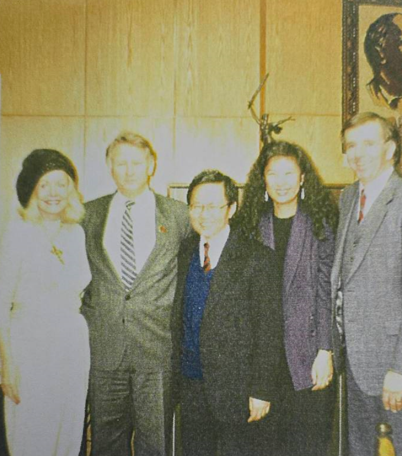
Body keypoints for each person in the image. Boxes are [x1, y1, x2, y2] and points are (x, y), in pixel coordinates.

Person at [332, 113, 402, 456]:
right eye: (351, 145)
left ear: (390, 149)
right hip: (356, 363)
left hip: (398, 369)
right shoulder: (349, 198)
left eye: (369, 143)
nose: (358, 153)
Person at [81, 132, 191, 456]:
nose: (129, 170)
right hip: (104, 350)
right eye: (121, 163)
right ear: (109, 167)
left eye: (136, 163)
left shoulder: (179, 215)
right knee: (105, 443)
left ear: (151, 165)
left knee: (155, 444)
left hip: (156, 350)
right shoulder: (87, 215)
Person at [237, 141, 339, 456]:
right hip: (261, 361)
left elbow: (327, 291)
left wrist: (326, 350)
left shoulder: (320, 224)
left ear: (302, 177)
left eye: (289, 173)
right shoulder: (249, 226)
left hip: (308, 357)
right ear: (263, 180)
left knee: (307, 446)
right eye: (273, 173)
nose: (281, 182)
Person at [173, 170, 284, 456]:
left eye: (213, 206)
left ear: (231, 209)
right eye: (197, 206)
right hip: (191, 384)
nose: (204, 214)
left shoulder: (257, 258)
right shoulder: (184, 252)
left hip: (238, 390)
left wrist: (261, 390)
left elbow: (269, 331)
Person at [0, 149, 92, 456]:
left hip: (72, 348)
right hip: (30, 348)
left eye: (61, 184)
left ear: (71, 189)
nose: (53, 192)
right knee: (30, 436)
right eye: (44, 184)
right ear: (32, 188)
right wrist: (8, 365)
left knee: (67, 435)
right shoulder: (17, 232)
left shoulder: (76, 233)